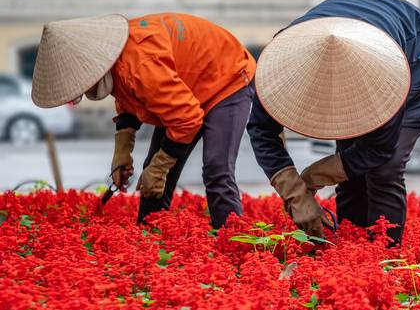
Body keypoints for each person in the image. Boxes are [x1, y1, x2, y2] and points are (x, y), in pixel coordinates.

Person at [247, 0, 420, 245]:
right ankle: (349, 250)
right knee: (352, 172)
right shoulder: (278, 66)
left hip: (416, 53)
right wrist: (296, 194)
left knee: (384, 171)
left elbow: (378, 150)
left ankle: (383, 259)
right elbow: (261, 130)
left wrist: (312, 177)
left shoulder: (384, 75)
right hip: (356, 30)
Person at [31, 13, 256, 229]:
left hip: (228, 79)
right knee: (153, 169)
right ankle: (149, 238)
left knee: (216, 169)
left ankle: (232, 244)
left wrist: (159, 169)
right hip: (188, 89)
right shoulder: (118, 62)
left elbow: (187, 119)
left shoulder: (140, 65)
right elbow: (129, 99)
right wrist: (122, 152)